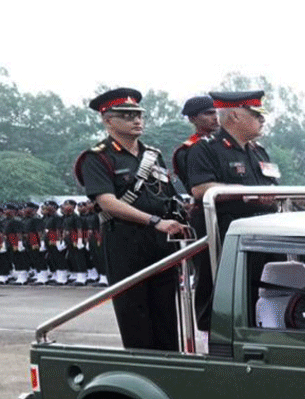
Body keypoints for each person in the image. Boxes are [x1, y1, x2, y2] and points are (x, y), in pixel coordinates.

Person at [74, 87, 187, 351]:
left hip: (161, 242)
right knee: (135, 317)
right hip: (125, 241)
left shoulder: (153, 155)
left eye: (138, 115)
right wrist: (153, 221)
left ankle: (169, 373)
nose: (136, 121)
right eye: (126, 115)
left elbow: (168, 195)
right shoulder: (98, 157)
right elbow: (108, 203)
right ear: (108, 120)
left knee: (166, 317)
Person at [185, 89, 279, 331]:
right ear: (235, 116)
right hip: (225, 233)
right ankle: (215, 343)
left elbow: (273, 187)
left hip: (262, 233)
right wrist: (244, 191)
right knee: (221, 293)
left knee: (259, 292)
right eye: (256, 114)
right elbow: (200, 188)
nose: (262, 120)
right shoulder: (205, 148)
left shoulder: (258, 151)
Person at [171, 95, 218, 192]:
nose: (215, 118)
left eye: (216, 113)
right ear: (192, 119)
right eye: (208, 113)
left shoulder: (227, 144)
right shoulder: (187, 151)